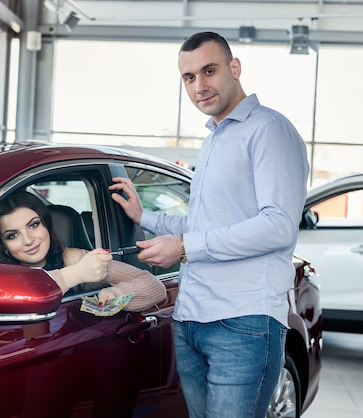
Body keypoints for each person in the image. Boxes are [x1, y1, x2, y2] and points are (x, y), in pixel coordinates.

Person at [109, 31, 309, 418]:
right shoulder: (216, 137)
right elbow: (205, 223)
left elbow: (278, 226)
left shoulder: (268, 130)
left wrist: (183, 248)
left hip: (243, 322)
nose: (199, 86)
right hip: (192, 319)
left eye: (209, 70)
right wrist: (144, 217)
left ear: (234, 68)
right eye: (188, 77)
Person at [0, 189, 166, 312]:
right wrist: (75, 275)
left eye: (34, 225)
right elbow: (11, 296)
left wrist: (117, 293)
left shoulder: (75, 259)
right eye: (12, 235)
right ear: (2, 243)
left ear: (47, 224)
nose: (28, 240)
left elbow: (154, 287)